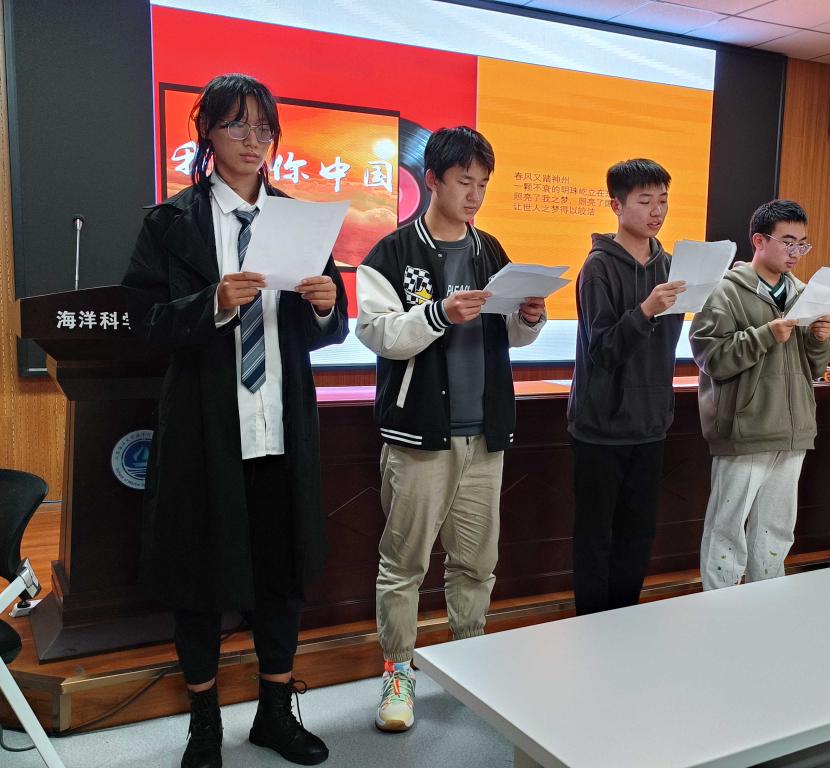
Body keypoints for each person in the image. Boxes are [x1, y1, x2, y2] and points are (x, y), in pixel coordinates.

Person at [122, 73, 346, 768]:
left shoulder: (299, 221)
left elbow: (329, 329)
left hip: (279, 426)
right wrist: (213, 303)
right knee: (197, 581)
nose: (254, 141)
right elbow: (141, 323)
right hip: (205, 430)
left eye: (264, 128)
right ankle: (204, 726)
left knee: (281, 575)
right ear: (207, 134)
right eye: (238, 126)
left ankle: (274, 714)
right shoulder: (171, 223)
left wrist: (325, 306)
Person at [355, 126, 546, 732]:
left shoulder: (491, 250)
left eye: (483, 184)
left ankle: (471, 665)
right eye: (465, 182)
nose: (475, 195)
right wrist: (437, 313)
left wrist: (529, 318)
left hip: (484, 434)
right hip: (420, 435)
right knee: (403, 565)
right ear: (432, 179)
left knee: (477, 563)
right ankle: (398, 674)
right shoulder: (390, 253)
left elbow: (510, 337)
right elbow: (378, 334)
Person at [690, 200, 830, 589]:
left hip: (793, 429)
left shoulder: (804, 293)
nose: (796, 252)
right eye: (788, 242)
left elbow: (813, 368)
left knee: (776, 529)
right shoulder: (725, 291)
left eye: (802, 244)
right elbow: (710, 357)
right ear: (759, 240)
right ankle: (719, 606)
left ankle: (768, 603)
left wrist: (819, 340)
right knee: (727, 529)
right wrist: (765, 335)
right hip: (746, 428)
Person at [567, 158, 686, 616]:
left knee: (638, 535)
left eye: (663, 201)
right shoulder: (598, 267)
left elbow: (667, 344)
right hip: (601, 426)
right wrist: (646, 310)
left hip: (651, 424)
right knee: (596, 537)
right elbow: (603, 350)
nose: (657, 211)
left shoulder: (671, 266)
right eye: (645, 201)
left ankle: (626, 623)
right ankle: (592, 626)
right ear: (616, 205)